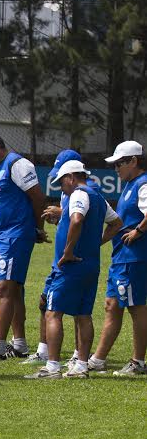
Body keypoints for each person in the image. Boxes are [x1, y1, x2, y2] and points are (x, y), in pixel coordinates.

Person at [26, 159, 120, 379]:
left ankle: (53, 368)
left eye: (61, 183)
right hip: (90, 265)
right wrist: (96, 243)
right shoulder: (99, 198)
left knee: (53, 313)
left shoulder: (78, 194)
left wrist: (68, 251)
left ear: (71, 178)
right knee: (83, 315)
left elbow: (76, 220)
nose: (61, 188)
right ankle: (80, 367)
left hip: (71, 266)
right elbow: (117, 223)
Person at [0, 129, 47, 361]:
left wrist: (37, 228)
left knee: (4, 288)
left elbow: (37, 197)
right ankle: (19, 344)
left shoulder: (18, 164)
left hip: (14, 235)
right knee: (11, 289)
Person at [88, 140, 147, 375]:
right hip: (121, 257)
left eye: (119, 164)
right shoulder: (130, 185)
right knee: (112, 305)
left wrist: (138, 231)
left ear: (133, 161)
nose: (116, 169)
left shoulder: (142, 184)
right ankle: (98, 359)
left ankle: (137, 362)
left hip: (133, 258)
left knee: (136, 308)